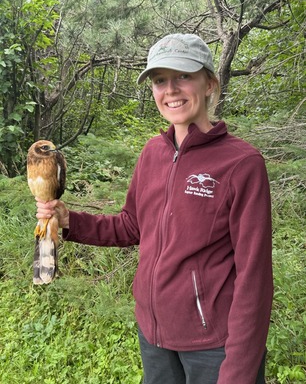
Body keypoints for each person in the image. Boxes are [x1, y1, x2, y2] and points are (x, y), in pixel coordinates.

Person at [36, 33, 273, 384]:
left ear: (209, 83)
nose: (171, 89)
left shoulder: (241, 164)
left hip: (214, 346)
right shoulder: (152, 153)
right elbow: (132, 226)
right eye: (160, 80)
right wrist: (71, 221)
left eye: (183, 76)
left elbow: (254, 276)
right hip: (154, 335)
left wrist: (239, 369)